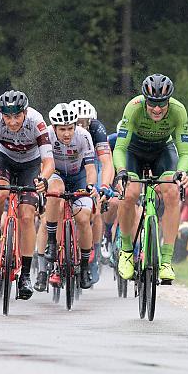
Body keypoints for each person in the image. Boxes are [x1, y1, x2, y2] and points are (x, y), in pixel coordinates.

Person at [113, 73, 188, 284]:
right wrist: (121, 170)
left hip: (162, 151)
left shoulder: (178, 111)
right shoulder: (133, 107)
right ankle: (127, 251)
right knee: (130, 193)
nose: (157, 109)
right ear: (145, 100)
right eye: (152, 104)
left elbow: (184, 153)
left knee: (173, 192)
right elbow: (120, 147)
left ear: (168, 101)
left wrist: (181, 172)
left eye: (162, 104)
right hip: (134, 151)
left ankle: (166, 260)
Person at [0, 90, 55, 300]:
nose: (12, 122)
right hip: (4, 159)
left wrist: (43, 179)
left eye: (17, 116)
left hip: (30, 164)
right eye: (7, 116)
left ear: (25, 112)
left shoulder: (37, 122)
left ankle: (26, 276)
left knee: (27, 216)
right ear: (1, 113)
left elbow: (49, 162)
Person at [34, 103, 97, 292]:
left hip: (79, 178)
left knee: (84, 218)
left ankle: (85, 267)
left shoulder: (84, 136)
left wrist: (91, 186)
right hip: (56, 174)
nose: (67, 134)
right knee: (55, 194)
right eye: (62, 129)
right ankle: (51, 245)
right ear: (54, 128)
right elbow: (43, 165)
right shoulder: (46, 135)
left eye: (70, 128)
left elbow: (91, 169)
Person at [71, 99, 114, 285]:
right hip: (70, 164)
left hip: (90, 165)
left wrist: (104, 186)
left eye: (85, 122)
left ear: (91, 121)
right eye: (77, 122)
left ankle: (93, 254)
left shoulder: (97, 129)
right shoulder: (64, 130)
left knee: (95, 207)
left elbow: (106, 163)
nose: (81, 126)